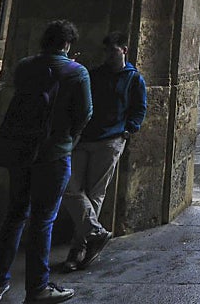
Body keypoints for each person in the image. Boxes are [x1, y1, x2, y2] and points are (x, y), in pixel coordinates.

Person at [0, 20, 91, 304]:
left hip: (20, 152)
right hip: (54, 154)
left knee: (14, 215)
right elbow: (85, 113)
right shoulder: (76, 73)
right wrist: (69, 138)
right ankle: (37, 287)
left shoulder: (24, 66)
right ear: (67, 44)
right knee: (43, 221)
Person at [59, 31, 147, 274]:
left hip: (111, 140)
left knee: (96, 193)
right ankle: (95, 232)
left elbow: (139, 108)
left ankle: (79, 248)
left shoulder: (133, 79)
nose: (109, 55)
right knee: (69, 187)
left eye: (113, 51)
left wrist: (129, 130)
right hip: (84, 138)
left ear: (124, 50)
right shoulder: (94, 75)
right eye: (106, 51)